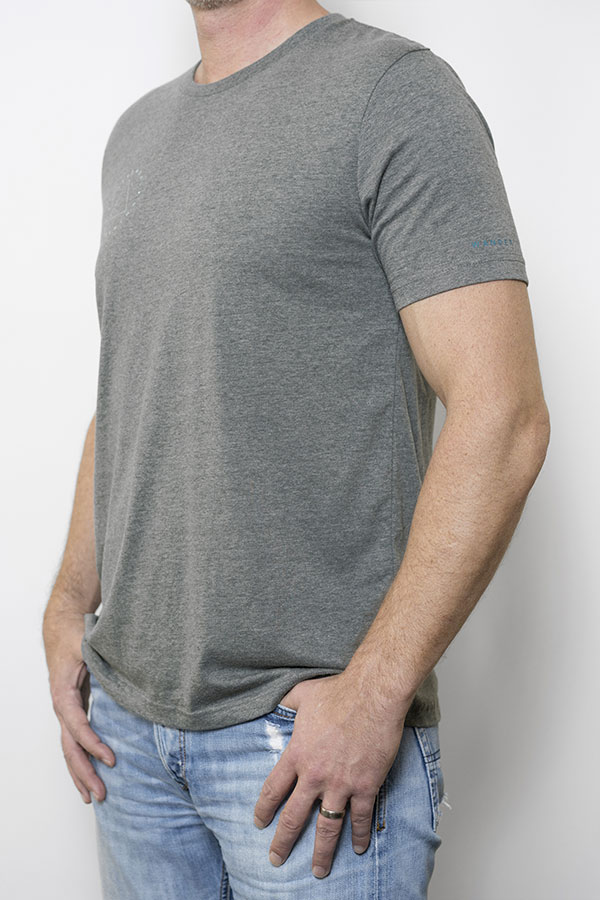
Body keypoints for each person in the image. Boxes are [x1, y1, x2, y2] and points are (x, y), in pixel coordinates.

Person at [42, 1, 550, 896]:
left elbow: (503, 416)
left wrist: (376, 691)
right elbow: (132, 392)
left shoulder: (395, 92)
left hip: (303, 746)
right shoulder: (137, 133)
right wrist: (68, 602)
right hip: (129, 737)